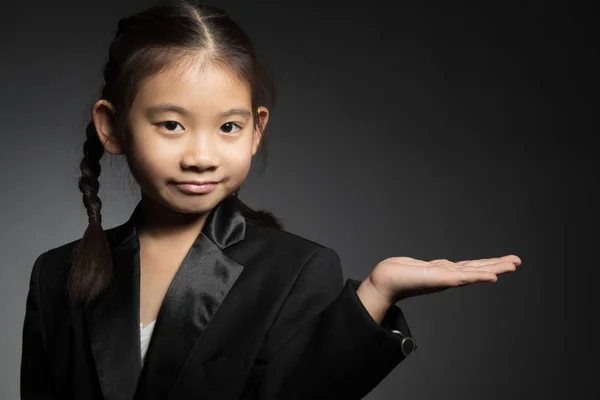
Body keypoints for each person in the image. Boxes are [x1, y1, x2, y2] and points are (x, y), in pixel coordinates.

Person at [20, 0, 521, 399]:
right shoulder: (54, 276)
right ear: (112, 127)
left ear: (257, 130)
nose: (202, 155)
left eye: (228, 127)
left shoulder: (298, 269)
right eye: (171, 124)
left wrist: (375, 296)